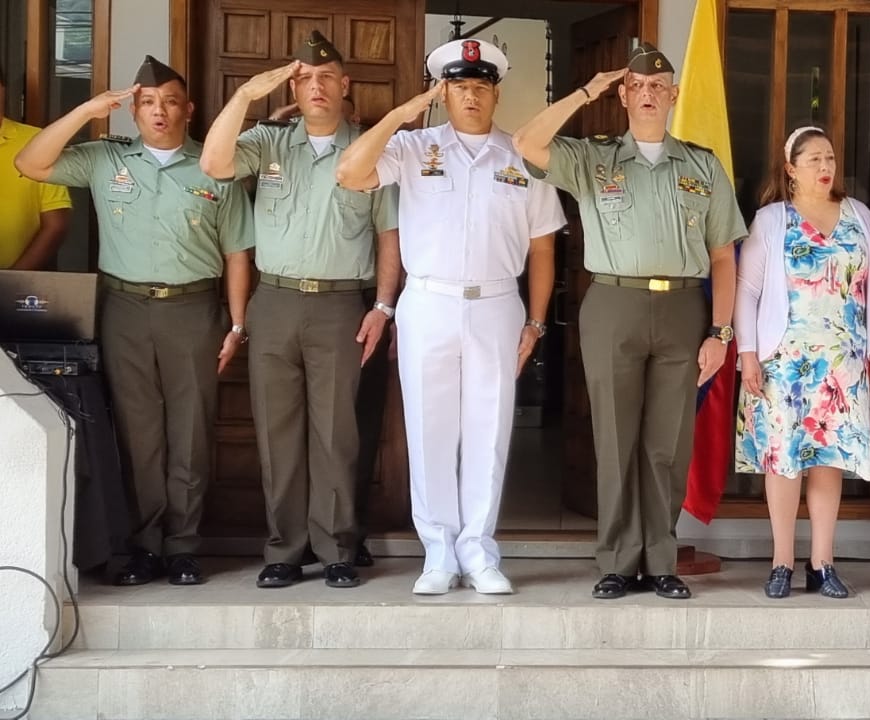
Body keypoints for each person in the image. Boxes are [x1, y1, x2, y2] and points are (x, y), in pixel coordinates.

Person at [513, 42, 745, 600]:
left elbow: (722, 256)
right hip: (613, 305)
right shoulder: (593, 158)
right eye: (636, 86)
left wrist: (720, 332)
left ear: (673, 96)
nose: (647, 94)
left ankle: (661, 559)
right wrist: (585, 91)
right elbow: (526, 142)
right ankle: (617, 561)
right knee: (615, 439)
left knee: (667, 444)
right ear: (622, 95)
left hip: (683, 308)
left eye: (657, 87)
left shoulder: (701, 164)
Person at [335, 38, 566, 595]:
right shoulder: (414, 147)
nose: (470, 96)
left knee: (489, 432)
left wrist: (535, 323)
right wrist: (400, 114)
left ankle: (480, 552)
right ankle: (438, 552)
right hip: (430, 300)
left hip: (495, 303)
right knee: (429, 429)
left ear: (495, 93)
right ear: (443, 93)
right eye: (459, 87)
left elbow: (542, 248)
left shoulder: (522, 157)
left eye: (480, 86)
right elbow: (349, 172)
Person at [14, 56, 254, 586]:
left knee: (190, 432)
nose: (159, 111)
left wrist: (237, 325)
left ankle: (184, 547)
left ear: (188, 109)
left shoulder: (216, 166)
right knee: (138, 433)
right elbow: (31, 164)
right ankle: (145, 545)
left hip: (194, 309)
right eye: (147, 102)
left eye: (170, 101)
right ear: (133, 112)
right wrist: (87, 111)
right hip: (122, 309)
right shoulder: (104, 158)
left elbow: (239, 251)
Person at [200, 30, 400, 590]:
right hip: (275, 302)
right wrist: (244, 97)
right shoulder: (267, 142)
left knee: (338, 434)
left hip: (341, 305)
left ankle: (337, 546)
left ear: (344, 85)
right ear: (294, 86)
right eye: (305, 78)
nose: (316, 86)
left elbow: (390, 236)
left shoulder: (369, 151)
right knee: (278, 432)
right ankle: (285, 549)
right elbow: (214, 165)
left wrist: (383, 305)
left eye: (326, 77)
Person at [734, 126, 870, 599]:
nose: (825, 168)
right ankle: (781, 561)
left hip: (843, 361)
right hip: (785, 360)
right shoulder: (771, 219)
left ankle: (822, 563)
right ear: (791, 169)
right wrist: (747, 354)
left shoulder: (858, 216)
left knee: (830, 459)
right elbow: (748, 290)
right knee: (784, 461)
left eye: (830, 159)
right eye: (814, 160)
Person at [0, 62, 72, 269]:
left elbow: (56, 225)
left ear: (3, 89)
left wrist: (12, 282)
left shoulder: (36, 142)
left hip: (18, 288)